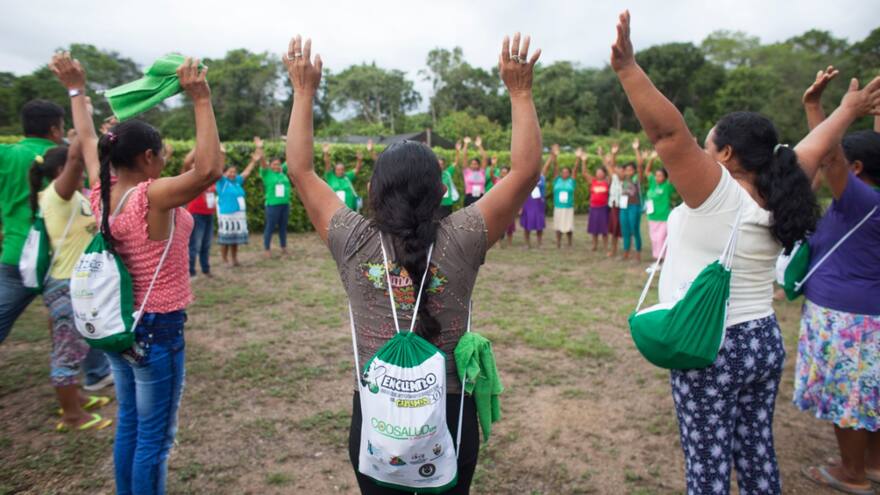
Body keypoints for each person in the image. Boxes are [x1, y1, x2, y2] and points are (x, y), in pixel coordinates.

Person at [607, 10, 868, 494]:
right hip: (762, 341)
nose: (701, 154)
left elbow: (667, 136)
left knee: (707, 465)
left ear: (725, 155)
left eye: (708, 146)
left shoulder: (719, 194)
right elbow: (815, 144)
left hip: (712, 348)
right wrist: (846, 110)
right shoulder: (784, 187)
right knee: (756, 450)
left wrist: (628, 69)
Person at [281, 32, 542, 495]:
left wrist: (303, 92)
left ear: (374, 192)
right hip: (451, 419)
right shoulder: (464, 238)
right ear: (440, 191)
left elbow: (300, 170)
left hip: (375, 421)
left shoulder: (353, 240)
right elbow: (524, 172)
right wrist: (519, 92)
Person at [64, 53, 222, 495]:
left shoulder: (101, 191)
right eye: (162, 156)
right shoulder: (148, 198)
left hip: (120, 324)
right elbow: (208, 169)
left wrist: (77, 90)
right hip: (156, 328)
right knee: (154, 439)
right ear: (149, 156)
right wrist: (201, 99)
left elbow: (91, 136)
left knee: (130, 427)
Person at [791, 66, 880, 495]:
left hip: (847, 320)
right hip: (867, 315)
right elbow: (831, 155)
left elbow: (828, 155)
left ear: (858, 167)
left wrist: (815, 107)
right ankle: (874, 464)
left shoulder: (863, 202)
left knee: (849, 400)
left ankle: (853, 474)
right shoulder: (867, 203)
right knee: (867, 397)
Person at [27, 137, 113, 431]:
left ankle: (75, 397)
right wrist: (81, 110)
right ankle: (72, 415)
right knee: (66, 349)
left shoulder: (77, 197)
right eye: (73, 168)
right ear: (63, 169)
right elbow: (78, 160)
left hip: (78, 286)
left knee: (76, 347)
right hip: (65, 286)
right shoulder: (57, 194)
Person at [0, 99, 66, 344]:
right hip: (58, 259)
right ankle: (95, 371)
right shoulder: (64, 161)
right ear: (54, 130)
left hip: (15, 253)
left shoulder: (5, 155)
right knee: (74, 317)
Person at [217, 137, 262, 266]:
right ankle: (225, 259)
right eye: (230, 172)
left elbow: (247, 172)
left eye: (234, 172)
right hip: (227, 215)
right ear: (225, 173)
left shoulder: (236, 181)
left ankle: (234, 259)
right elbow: (219, 169)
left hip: (238, 216)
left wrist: (253, 161)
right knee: (225, 240)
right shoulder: (222, 182)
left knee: (235, 240)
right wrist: (222, 154)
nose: (232, 174)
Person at [182, 147, 219, 278]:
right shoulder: (192, 176)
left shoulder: (208, 177)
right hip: (196, 214)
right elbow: (186, 162)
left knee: (206, 244)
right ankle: (191, 271)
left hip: (209, 214)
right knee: (194, 244)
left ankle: (205, 269)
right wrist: (199, 146)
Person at [322, 140, 373, 211]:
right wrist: (326, 153)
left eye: (342, 169)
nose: (340, 171)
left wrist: (359, 160)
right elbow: (327, 163)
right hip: (334, 210)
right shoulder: (330, 176)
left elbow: (357, 169)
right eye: (338, 169)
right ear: (335, 170)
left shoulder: (347, 177)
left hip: (349, 210)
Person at [577, 147, 610, 252]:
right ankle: (594, 245)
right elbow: (584, 173)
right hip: (594, 208)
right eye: (597, 172)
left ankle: (605, 246)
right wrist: (583, 161)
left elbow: (611, 170)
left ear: (604, 173)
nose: (599, 174)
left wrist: (603, 157)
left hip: (603, 208)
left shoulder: (607, 181)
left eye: (601, 172)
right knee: (594, 229)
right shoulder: (593, 181)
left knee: (604, 229)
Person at [259, 154, 292, 258]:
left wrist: (289, 142)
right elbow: (263, 162)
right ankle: (267, 249)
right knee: (270, 227)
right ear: (270, 165)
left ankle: (283, 247)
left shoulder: (283, 172)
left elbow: (290, 158)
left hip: (285, 204)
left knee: (283, 227)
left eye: (278, 164)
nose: (277, 166)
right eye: (274, 164)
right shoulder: (267, 173)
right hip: (272, 205)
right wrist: (260, 149)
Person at [644, 149, 674, 261]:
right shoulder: (652, 183)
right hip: (652, 217)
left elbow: (672, 173)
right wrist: (651, 158)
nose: (657, 178)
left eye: (660, 176)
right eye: (656, 175)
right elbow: (647, 172)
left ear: (665, 177)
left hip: (663, 217)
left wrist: (668, 159)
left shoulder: (667, 186)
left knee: (662, 239)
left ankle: (664, 260)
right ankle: (657, 259)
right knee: (654, 239)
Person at [618, 139, 645, 262]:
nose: (628, 171)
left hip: (634, 206)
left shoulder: (636, 178)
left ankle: (638, 253)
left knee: (634, 229)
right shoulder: (622, 179)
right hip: (624, 207)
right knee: (625, 229)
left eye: (630, 169)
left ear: (633, 170)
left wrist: (636, 149)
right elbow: (613, 167)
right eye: (626, 169)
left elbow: (640, 165)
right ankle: (626, 252)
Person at [519, 153, 549, 249]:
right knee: (527, 223)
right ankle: (527, 244)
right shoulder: (526, 175)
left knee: (539, 223)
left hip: (538, 203)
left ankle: (540, 243)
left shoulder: (542, 176)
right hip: (527, 202)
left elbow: (547, 166)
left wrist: (552, 156)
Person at [549, 144, 576, 248]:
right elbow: (555, 167)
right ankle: (558, 242)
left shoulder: (571, 181)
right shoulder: (557, 180)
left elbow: (575, 169)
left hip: (568, 207)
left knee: (569, 227)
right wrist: (554, 156)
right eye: (563, 172)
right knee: (558, 226)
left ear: (569, 173)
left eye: (566, 172)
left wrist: (578, 159)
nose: (564, 173)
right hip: (558, 206)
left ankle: (569, 243)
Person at [602, 143, 624, 257]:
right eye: (617, 169)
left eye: (620, 170)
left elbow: (611, 165)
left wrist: (614, 155)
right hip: (614, 206)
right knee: (614, 230)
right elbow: (608, 166)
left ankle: (626, 251)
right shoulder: (614, 177)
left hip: (623, 207)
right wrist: (603, 156)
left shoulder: (625, 181)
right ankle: (613, 249)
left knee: (623, 229)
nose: (617, 171)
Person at [460, 136, 488, 206]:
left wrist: (479, 145)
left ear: (479, 165)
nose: (474, 165)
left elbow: (485, 157)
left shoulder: (482, 171)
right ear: (470, 165)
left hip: (481, 198)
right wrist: (466, 144)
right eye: (472, 164)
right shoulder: (467, 172)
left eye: (475, 164)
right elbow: (464, 156)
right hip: (469, 197)